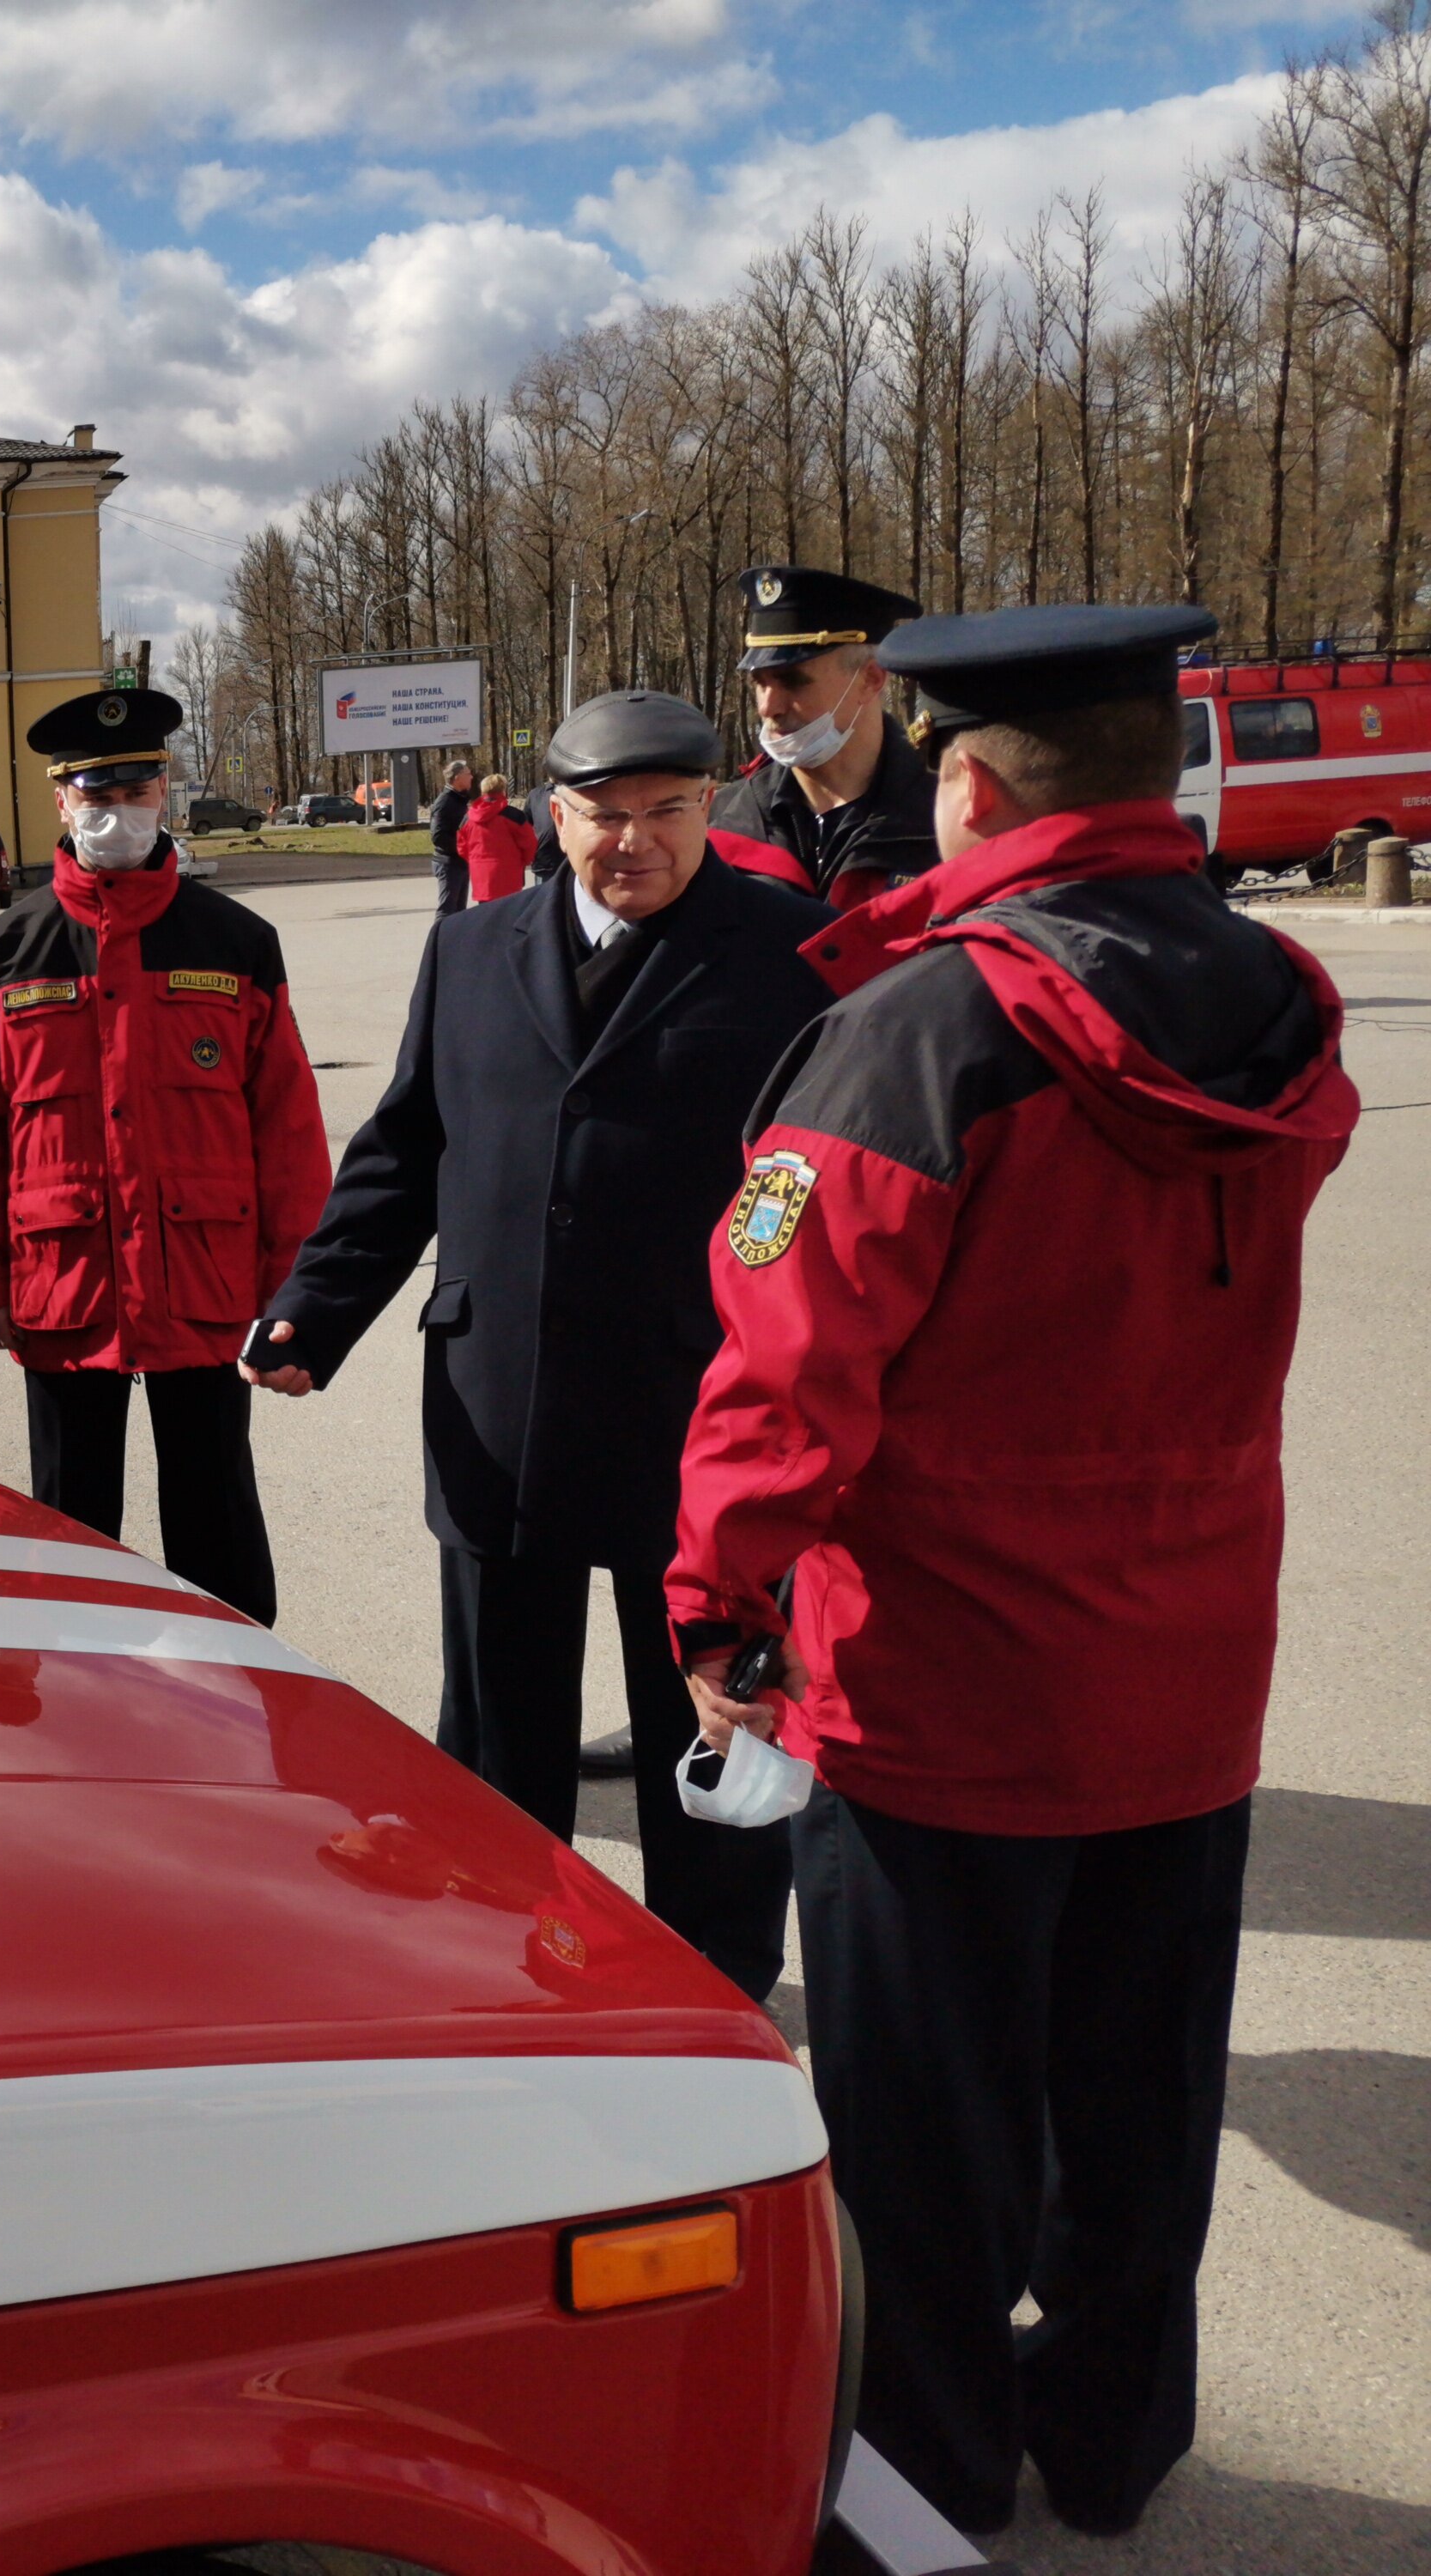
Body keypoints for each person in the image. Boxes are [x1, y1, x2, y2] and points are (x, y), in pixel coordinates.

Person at [669, 606, 1357, 2539]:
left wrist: (715, 1612)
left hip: (942, 1692)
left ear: (961, 784)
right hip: (1187, 1674)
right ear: (1159, 773)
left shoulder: (914, 1033)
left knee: (924, 2140)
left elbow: (780, 1378)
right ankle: (1113, 2448)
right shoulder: (1276, 997)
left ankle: (922, 2480)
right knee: (1137, 2110)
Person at [246, 690, 834, 2003]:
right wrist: (317, 1305)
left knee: (710, 1726)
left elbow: (828, 1187)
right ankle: (508, 1971)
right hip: (498, 1397)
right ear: (548, 815)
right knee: (500, 1736)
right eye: (605, 815)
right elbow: (406, 1150)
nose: (637, 841)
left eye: (669, 812)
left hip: (697, 1416)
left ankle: (715, 1991)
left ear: (707, 810)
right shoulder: (472, 952)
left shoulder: (796, 952)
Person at [0, 686, 330, 1625]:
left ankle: (240, 1703)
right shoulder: (5, 951)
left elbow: (286, 1129)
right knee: (70, 1534)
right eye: (92, 788)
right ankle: (86, 1711)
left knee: (215, 1519)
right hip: (62, 1286)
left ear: (166, 790)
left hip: (205, 1283)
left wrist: (296, 1291)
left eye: (136, 784)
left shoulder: (236, 942)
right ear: (59, 800)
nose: (116, 807)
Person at [709, 564, 937, 908]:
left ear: (871, 680)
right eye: (760, 683)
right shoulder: (724, 821)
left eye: (792, 680)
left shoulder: (945, 818)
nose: (768, 707)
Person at [460, 772, 535, 902]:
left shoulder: (468, 818)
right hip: (509, 874)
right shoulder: (513, 815)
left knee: (486, 915)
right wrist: (522, 861)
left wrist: (474, 860)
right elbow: (530, 843)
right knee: (509, 915)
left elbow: (462, 847)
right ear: (503, 790)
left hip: (480, 875)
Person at [427, 757, 476, 915]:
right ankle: (438, 939)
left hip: (459, 862)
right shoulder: (445, 802)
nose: (472, 777)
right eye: (468, 774)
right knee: (446, 911)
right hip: (448, 863)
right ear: (457, 778)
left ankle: (456, 940)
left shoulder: (459, 799)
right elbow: (438, 836)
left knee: (459, 913)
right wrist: (463, 849)